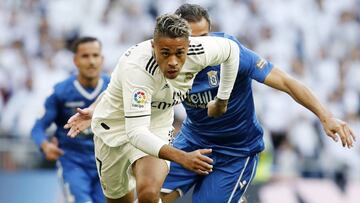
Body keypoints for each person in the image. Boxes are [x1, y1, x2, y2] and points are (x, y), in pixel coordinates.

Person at [159, 4, 356, 203]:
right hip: (193, 139)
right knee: (152, 195)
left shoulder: (233, 53)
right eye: (193, 39)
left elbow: (286, 82)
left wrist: (326, 117)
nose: (200, 45)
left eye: (205, 37)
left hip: (235, 151)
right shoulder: (165, 61)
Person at [65, 14, 240, 203]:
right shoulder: (138, 69)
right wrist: (183, 157)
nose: (173, 61)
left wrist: (222, 99)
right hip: (113, 131)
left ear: (188, 47)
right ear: (153, 47)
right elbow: (135, 132)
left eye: (179, 53)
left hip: (154, 126)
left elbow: (232, 50)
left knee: (148, 193)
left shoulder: (200, 50)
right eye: (165, 53)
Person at [31, 37, 109, 203]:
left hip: (107, 163)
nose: (92, 61)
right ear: (75, 60)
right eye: (85, 56)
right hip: (73, 163)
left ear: (102, 59)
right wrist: (45, 146)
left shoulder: (113, 88)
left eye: (95, 55)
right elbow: (38, 126)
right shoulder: (61, 91)